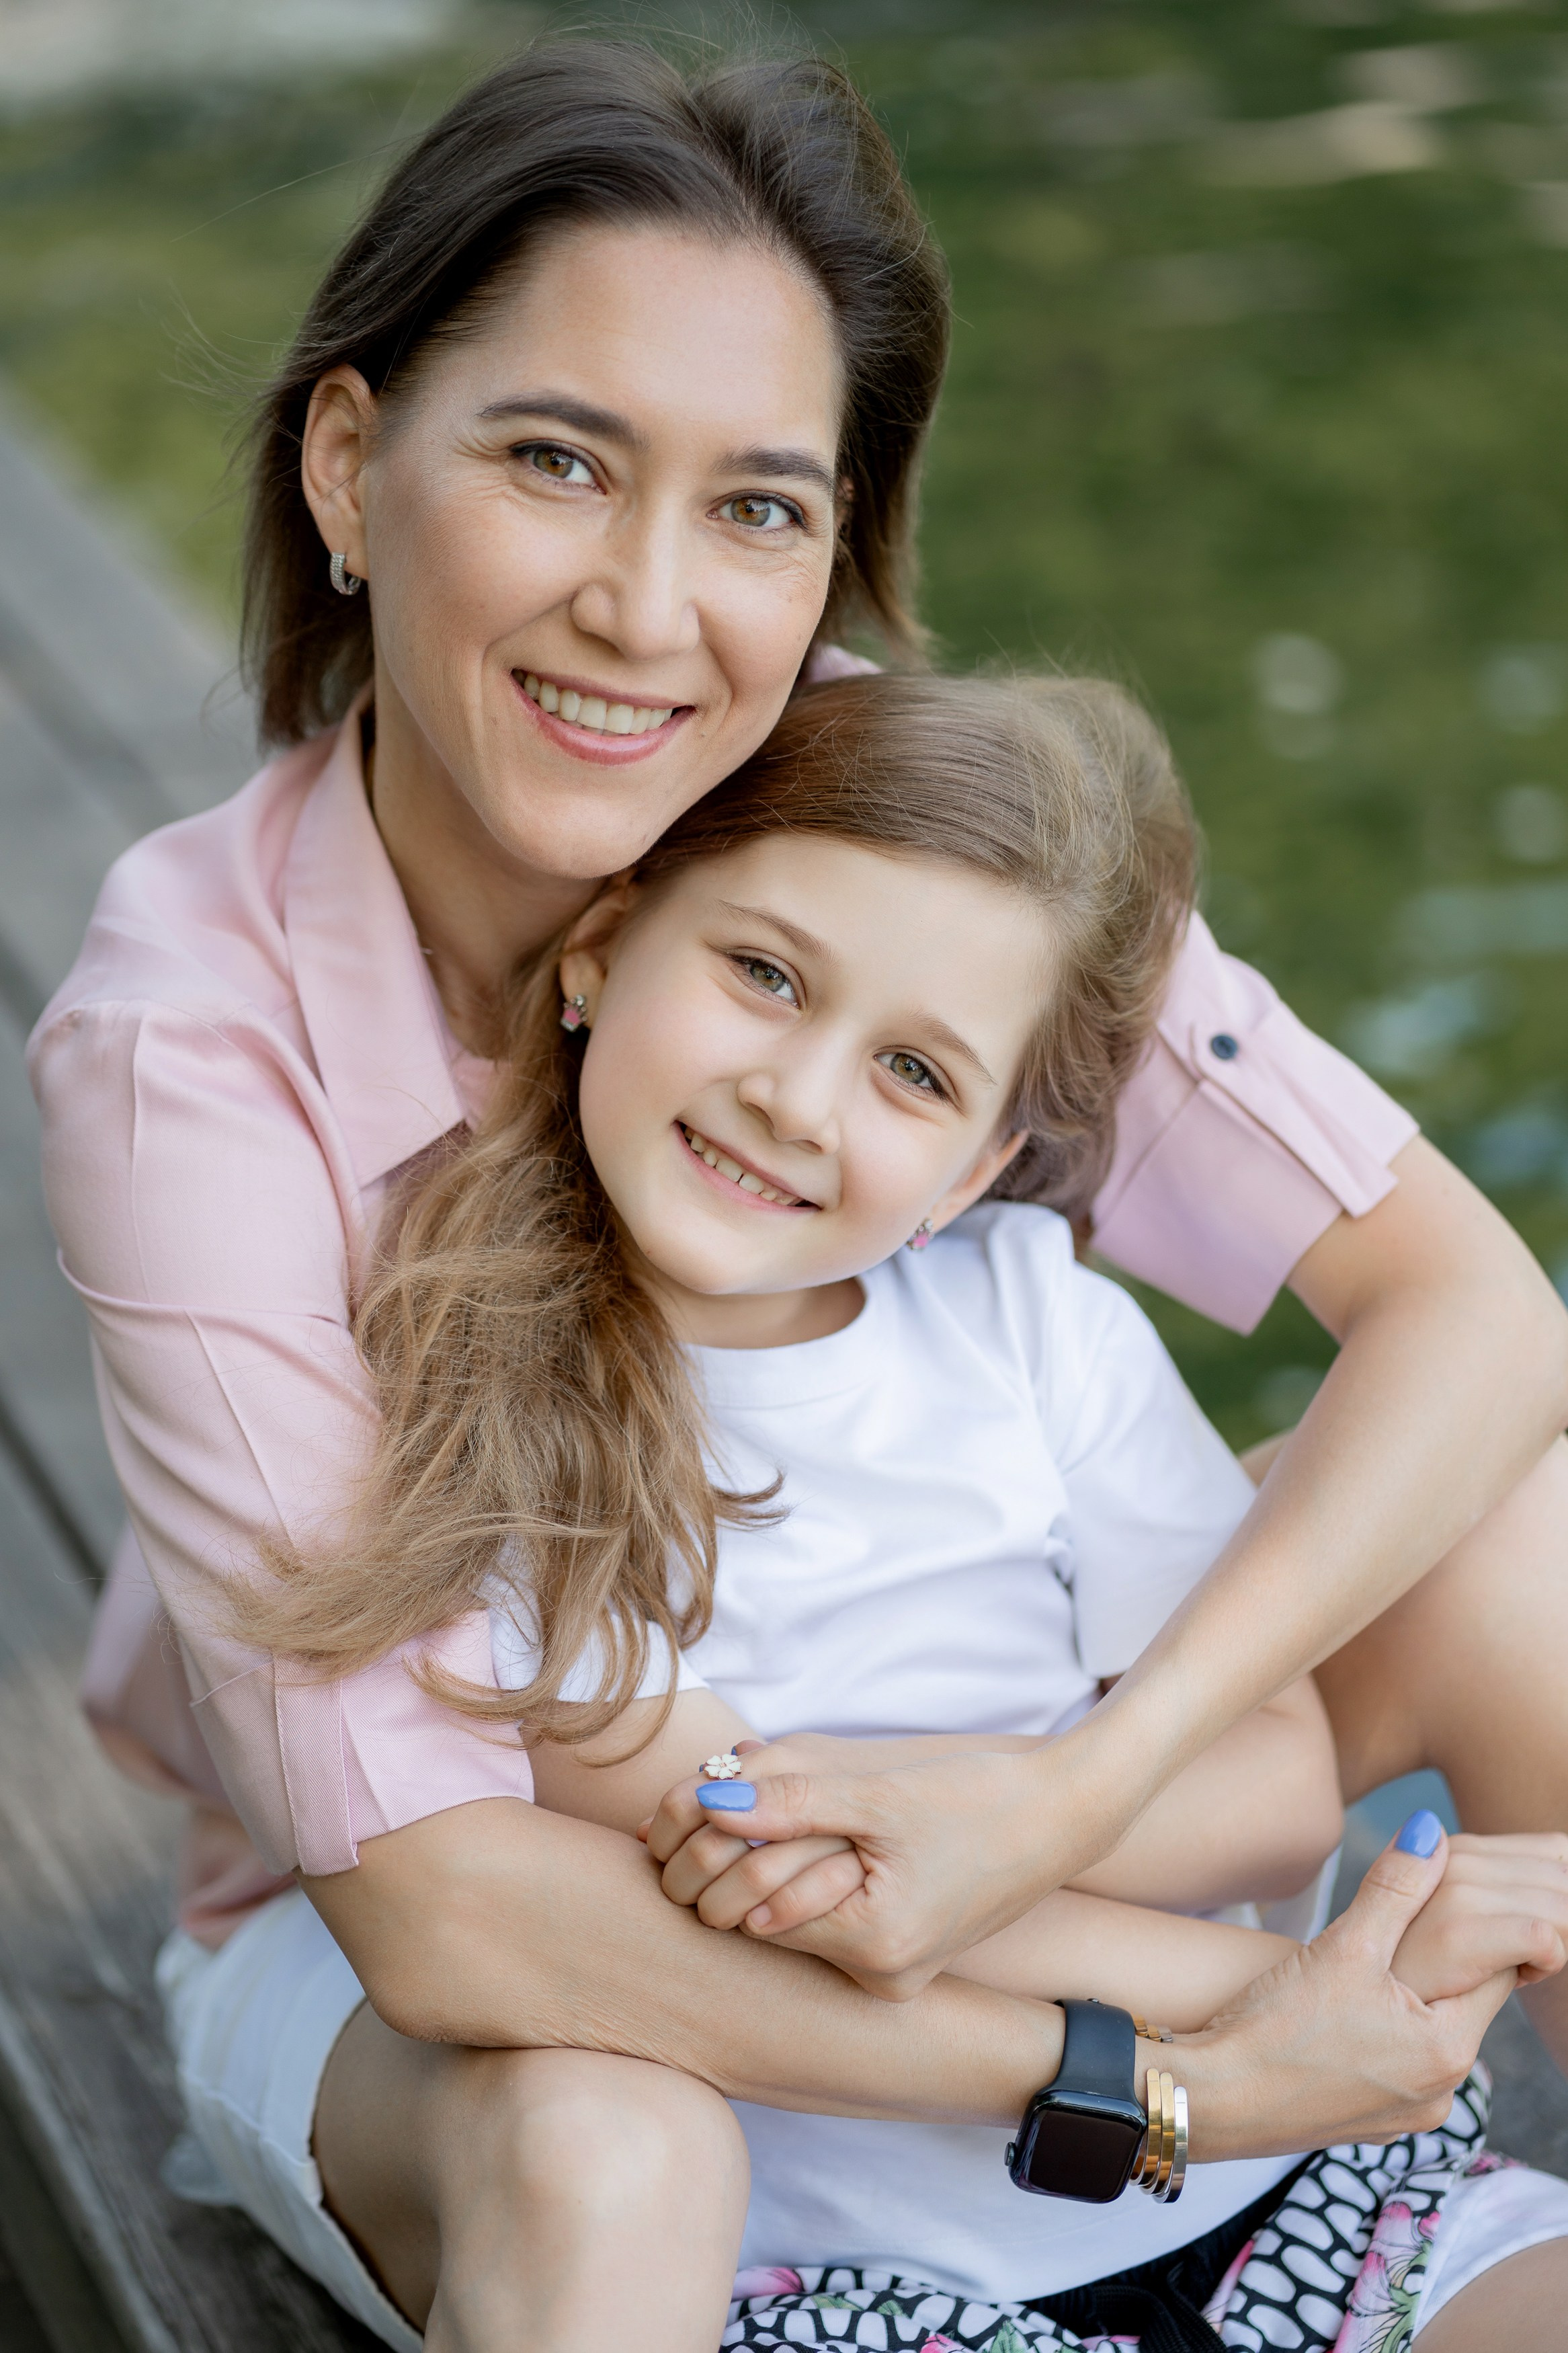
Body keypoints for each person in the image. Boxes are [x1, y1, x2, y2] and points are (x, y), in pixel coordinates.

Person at [24, 34, 1568, 2351]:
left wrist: (1060, 1803)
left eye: (756, 507)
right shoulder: (191, 1044)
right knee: (605, 2135)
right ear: (352, 461)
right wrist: (1174, 2080)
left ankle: (1457, 2174)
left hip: (953, 1810)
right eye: (559, 459)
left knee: (1529, 1552)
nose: (653, 615)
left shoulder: (877, 829)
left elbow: (1467, 1306)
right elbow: (461, 1914)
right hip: (431, 1931)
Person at [275, 659, 1568, 2343]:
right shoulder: (480, 1413)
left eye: (916, 1073)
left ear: (974, 1166)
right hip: (865, 2274)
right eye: (761, 973)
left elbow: (1272, 1781)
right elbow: (773, 1909)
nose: (797, 1099)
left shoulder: (1031, 1314)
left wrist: (986, 1810)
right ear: (599, 947)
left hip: (1285, 2196)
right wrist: (1317, 1998)